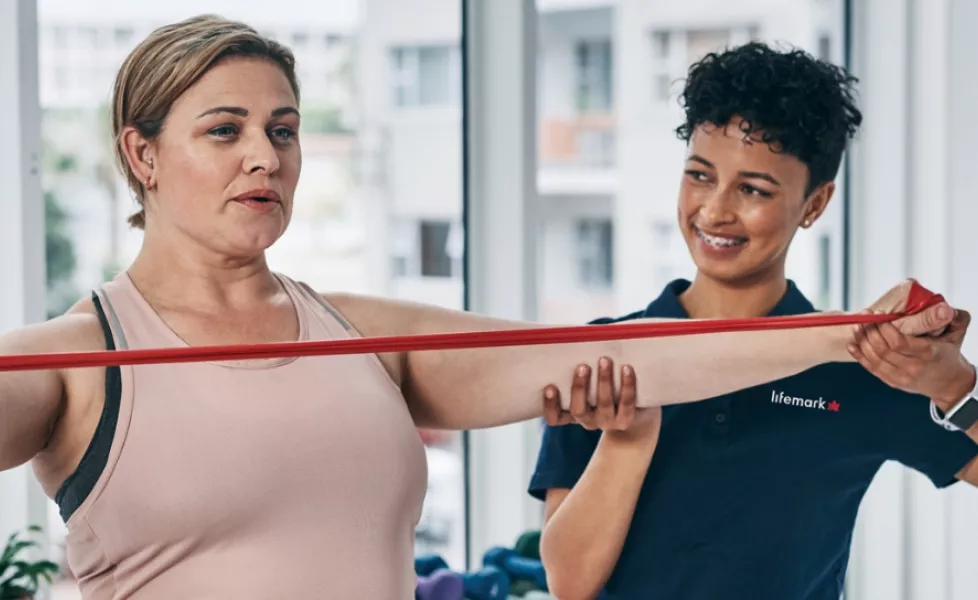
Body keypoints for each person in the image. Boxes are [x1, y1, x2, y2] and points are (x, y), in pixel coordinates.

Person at [0, 18, 949, 600]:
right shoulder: (76, 361)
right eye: (225, 129)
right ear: (142, 154)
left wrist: (857, 340)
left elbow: (648, 361)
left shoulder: (365, 339)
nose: (266, 156)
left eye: (284, 130)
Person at [530, 42, 978, 600]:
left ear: (814, 204)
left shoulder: (860, 365)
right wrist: (627, 441)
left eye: (752, 189)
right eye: (699, 175)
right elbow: (568, 583)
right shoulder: (605, 357)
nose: (715, 210)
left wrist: (955, 386)